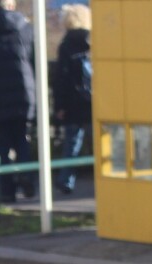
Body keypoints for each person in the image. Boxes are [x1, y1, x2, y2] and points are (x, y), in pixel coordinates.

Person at [0, 0, 36, 204]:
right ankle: (26, 175)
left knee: (1, 146)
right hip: (24, 93)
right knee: (22, 140)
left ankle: (7, 191)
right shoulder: (26, 29)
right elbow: (34, 61)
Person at [54, 4, 92, 194]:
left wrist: (59, 105)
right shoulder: (94, 41)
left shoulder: (66, 45)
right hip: (95, 100)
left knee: (72, 142)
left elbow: (61, 78)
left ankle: (66, 179)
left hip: (73, 101)